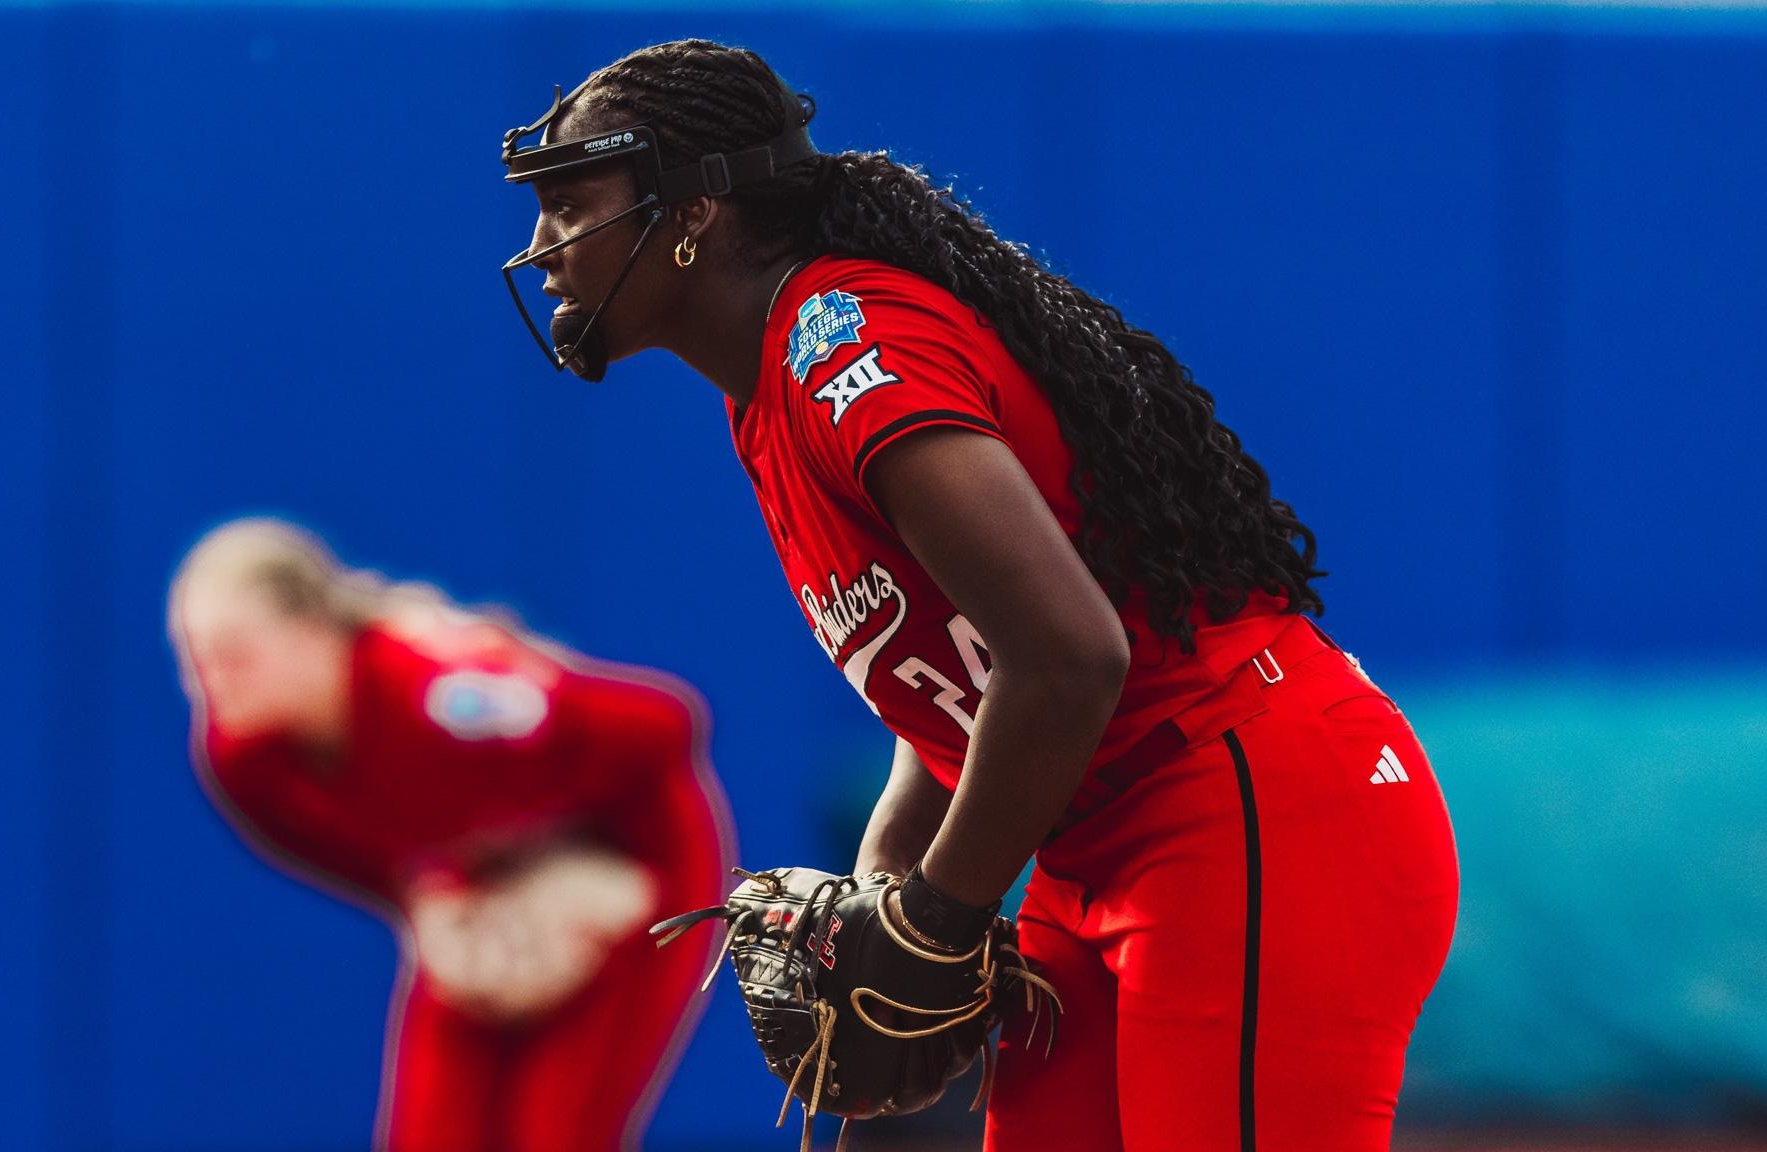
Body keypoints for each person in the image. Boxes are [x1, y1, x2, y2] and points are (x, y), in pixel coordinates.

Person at [497, 40, 1459, 1152]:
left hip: (1247, 803)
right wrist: (883, 883)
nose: (542, 248)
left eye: (569, 205)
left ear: (691, 212)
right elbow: (967, 665)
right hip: (1104, 839)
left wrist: (936, 918)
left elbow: (1065, 655)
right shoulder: (767, 386)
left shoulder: (841, 346)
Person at [168, 518, 734, 1152]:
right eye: (194, 660)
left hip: (637, 867)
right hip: (482, 875)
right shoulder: (240, 759)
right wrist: (422, 894)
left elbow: (670, 725)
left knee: (558, 1133)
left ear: (310, 631)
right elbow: (325, 851)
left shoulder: (437, 693)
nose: (212, 682)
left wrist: (531, 689)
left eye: (234, 654)